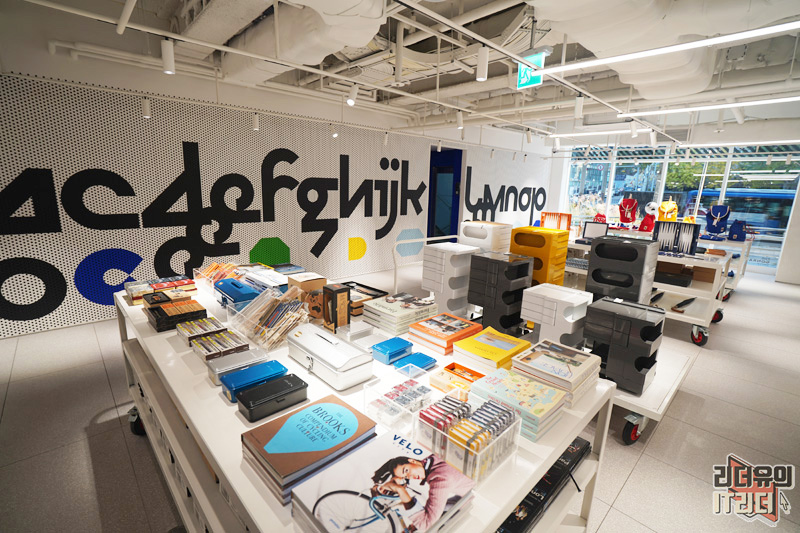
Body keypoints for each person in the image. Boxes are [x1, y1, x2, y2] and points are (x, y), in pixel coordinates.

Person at [371, 454, 474, 532]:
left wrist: (400, 490)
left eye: (406, 470)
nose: (410, 476)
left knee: (432, 527)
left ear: (412, 461)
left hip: (476, 502)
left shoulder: (440, 479)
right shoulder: (434, 458)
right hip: (467, 496)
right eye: (405, 477)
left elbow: (426, 524)